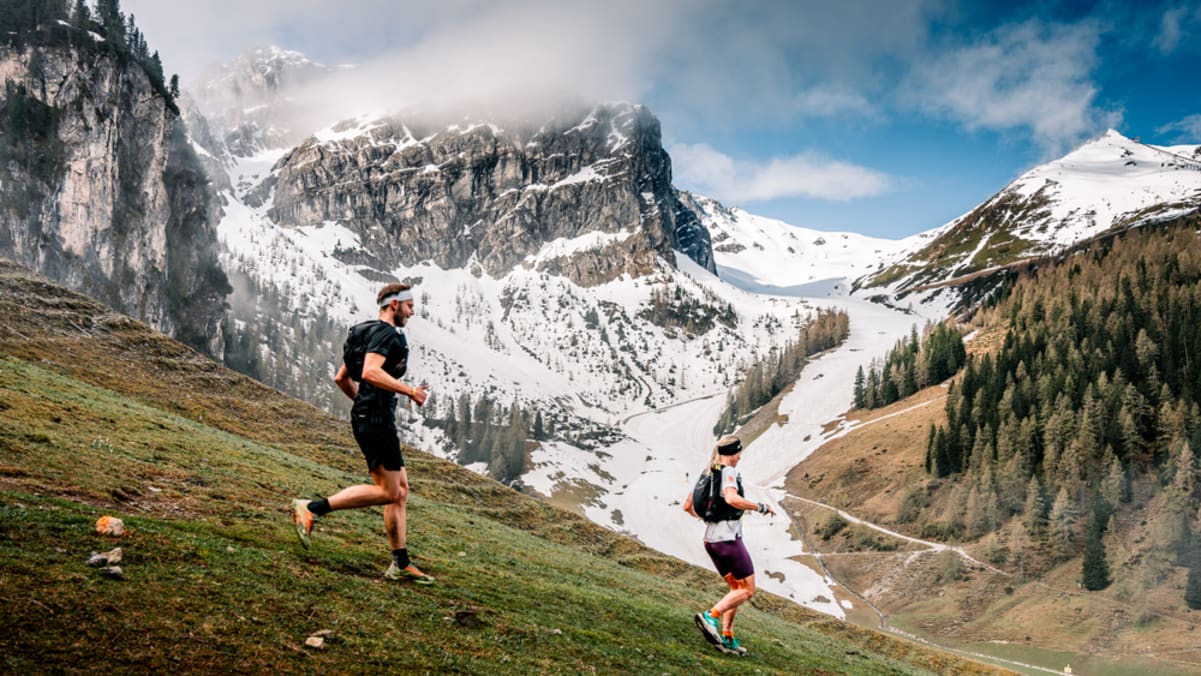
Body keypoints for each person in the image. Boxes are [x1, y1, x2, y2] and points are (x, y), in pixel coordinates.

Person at [290, 283, 434, 584]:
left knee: (400, 490)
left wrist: (363, 406)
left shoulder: (365, 332)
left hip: (372, 416)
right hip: (377, 419)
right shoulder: (385, 333)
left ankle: (401, 563)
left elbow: (342, 378)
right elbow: (369, 372)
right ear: (394, 304)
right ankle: (311, 508)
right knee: (389, 492)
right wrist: (408, 391)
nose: (413, 311)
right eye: (409, 305)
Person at [683, 434, 775, 656]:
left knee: (735, 588)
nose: (740, 456)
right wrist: (760, 507)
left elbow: (688, 506)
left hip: (711, 540)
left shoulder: (707, 473)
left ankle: (727, 636)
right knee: (748, 589)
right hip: (728, 539)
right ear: (732, 454)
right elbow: (732, 499)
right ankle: (710, 617)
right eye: (738, 452)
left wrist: (711, 517)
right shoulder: (728, 472)